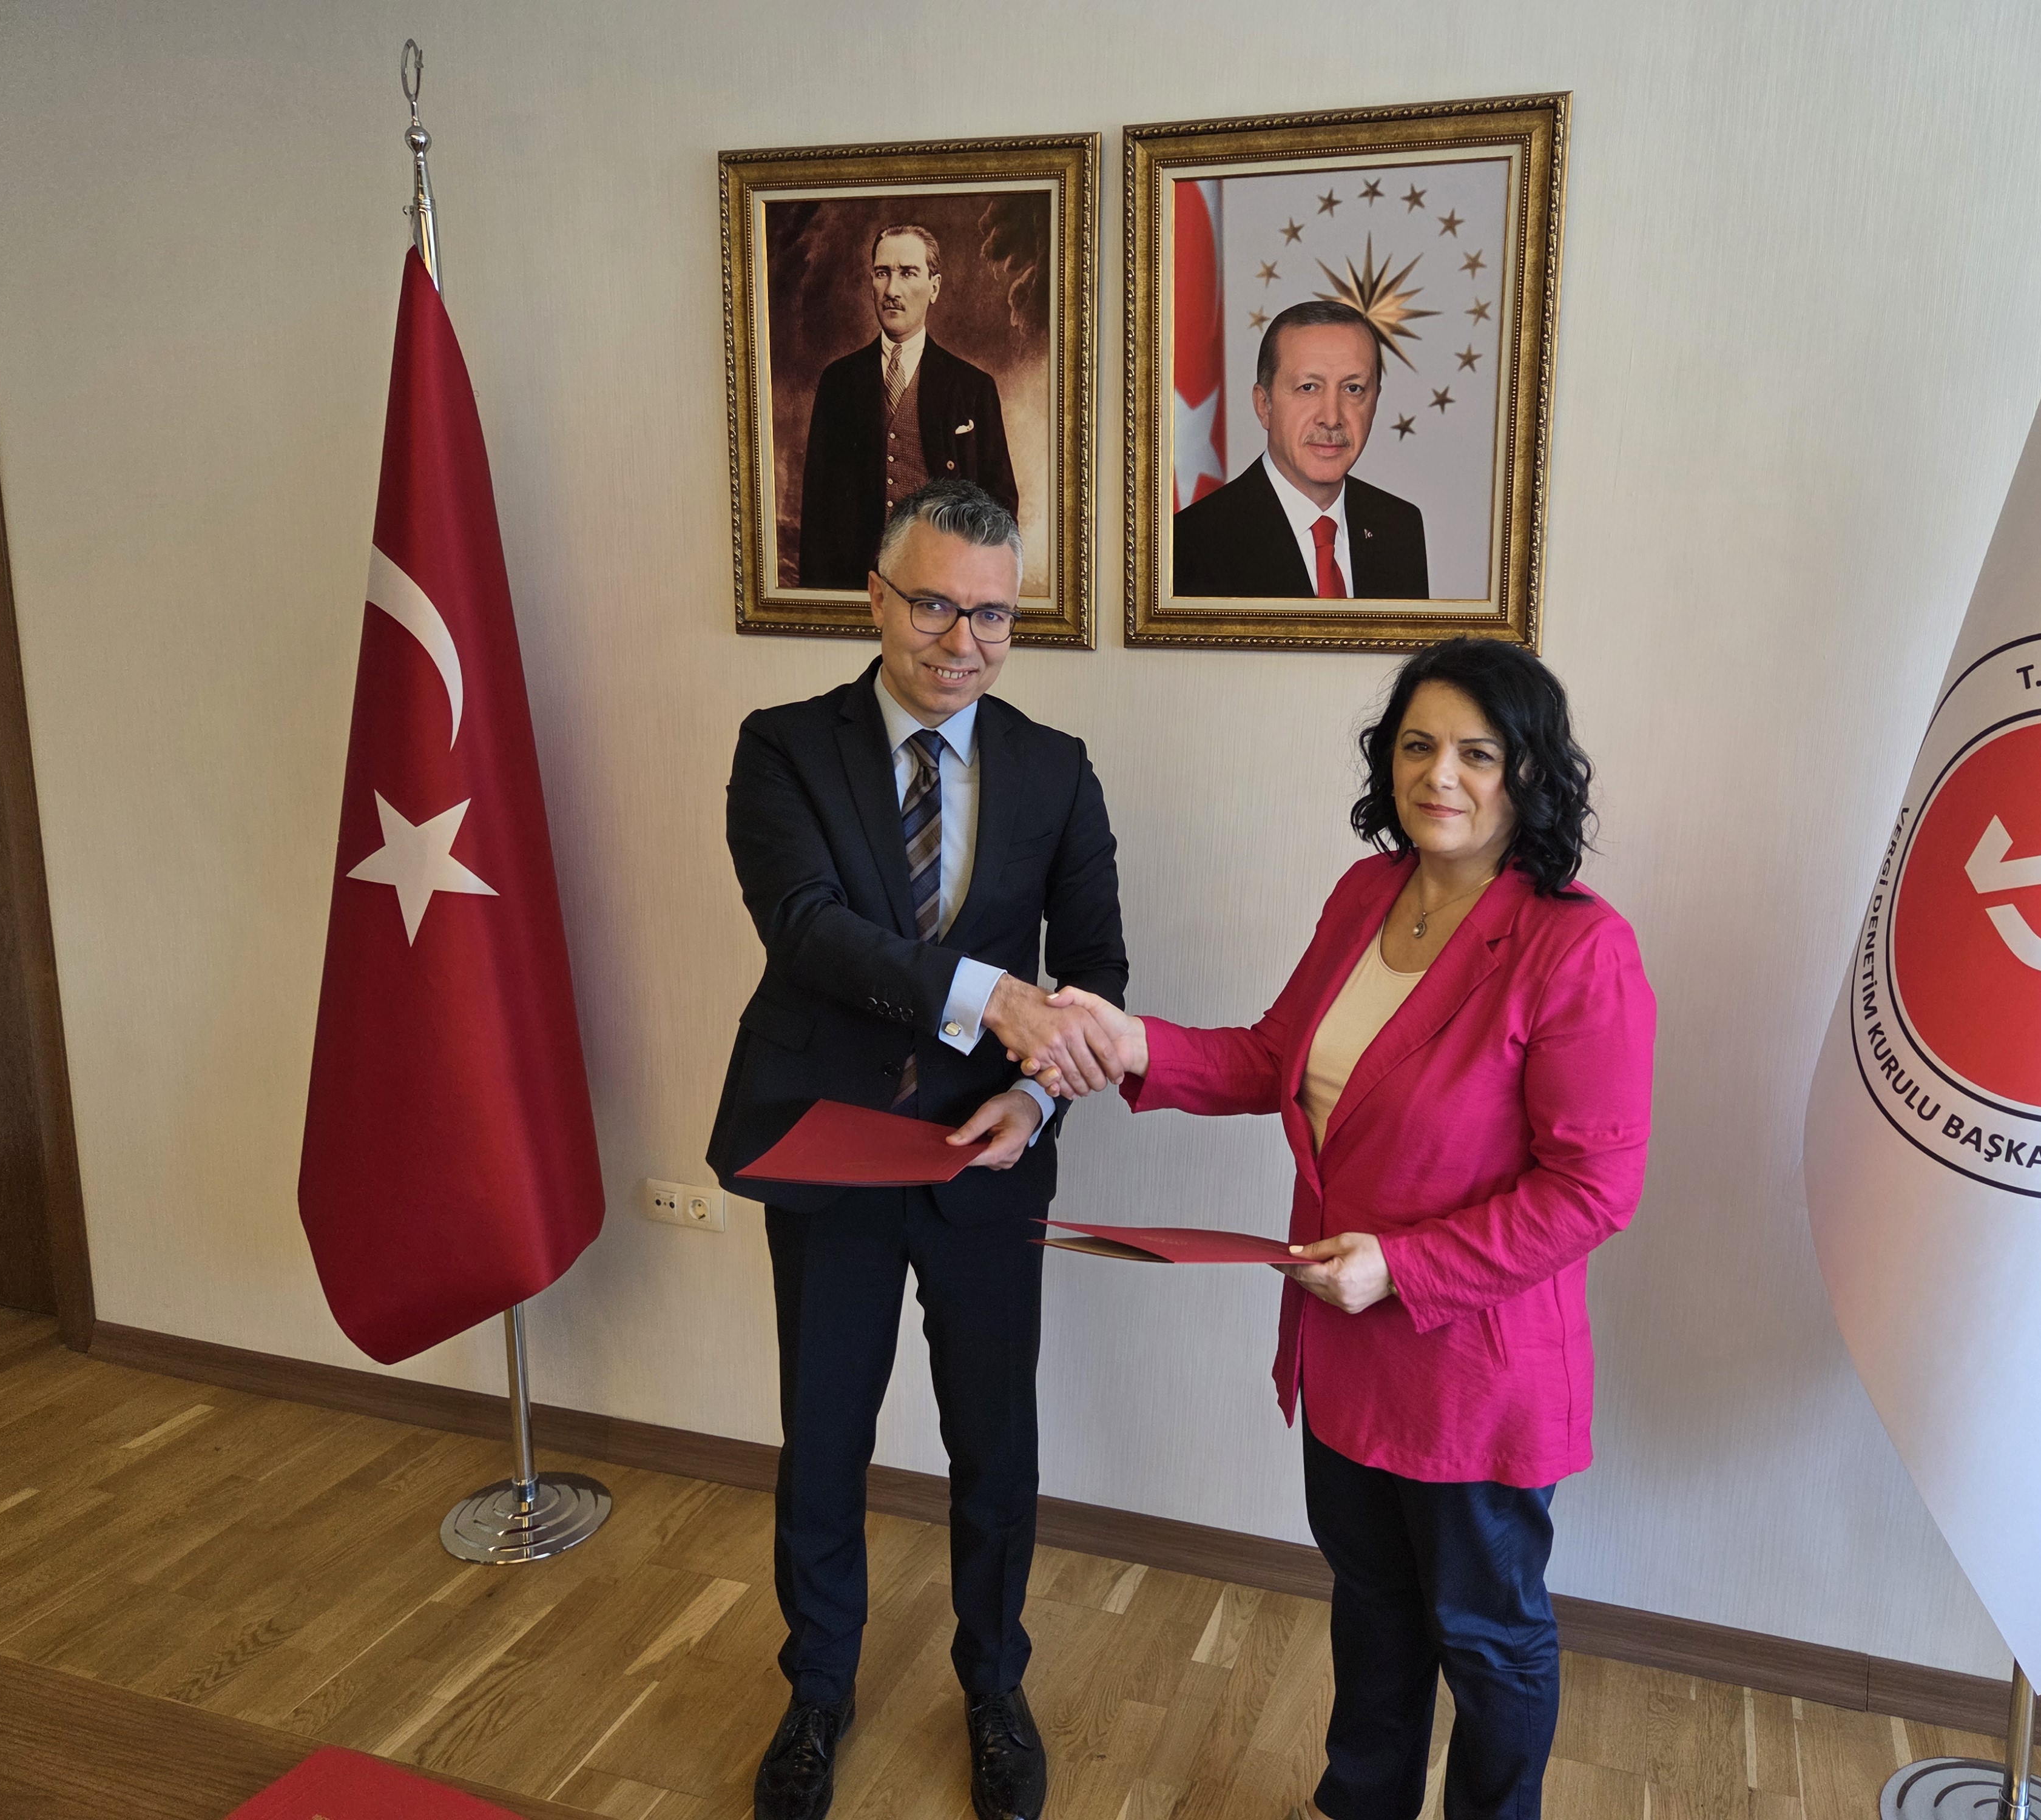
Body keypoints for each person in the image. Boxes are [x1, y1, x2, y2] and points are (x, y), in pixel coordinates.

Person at [1033, 639, 1653, 1820]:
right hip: (1342, 1338)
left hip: (1470, 1364)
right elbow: (1277, 1058)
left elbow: (1591, 1190)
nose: (1440, 775)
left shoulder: (1577, 946)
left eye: (1477, 753)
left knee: (1485, 1634)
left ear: (1529, 772)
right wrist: (1132, 1042)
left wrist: (1403, 1266)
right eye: (1417, 746)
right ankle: (1361, 1803)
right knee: (1370, 1605)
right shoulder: (1366, 895)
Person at [707, 479, 1127, 1820]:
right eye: (936, 605)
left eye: (994, 615)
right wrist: (988, 999)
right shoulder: (783, 748)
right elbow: (806, 927)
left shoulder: (1055, 768)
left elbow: (1097, 971)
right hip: (830, 1147)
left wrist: (1039, 1100)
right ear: (876, 599)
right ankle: (817, 1691)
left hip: (984, 1163)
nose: (964, 641)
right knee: (824, 1435)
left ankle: (993, 1688)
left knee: (994, 1444)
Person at [795, 224, 1021, 590]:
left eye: (908, 273)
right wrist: (819, 604)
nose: (892, 290)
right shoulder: (838, 382)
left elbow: (1001, 506)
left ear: (934, 287)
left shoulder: (973, 388)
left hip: (944, 589)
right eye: (882, 273)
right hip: (855, 588)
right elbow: (816, 511)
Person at [1171, 298, 1429, 599]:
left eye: (1353, 389)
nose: (1331, 418)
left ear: (1375, 402)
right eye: (1308, 387)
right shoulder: (1192, 544)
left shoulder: (1400, 528)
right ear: (1264, 405)